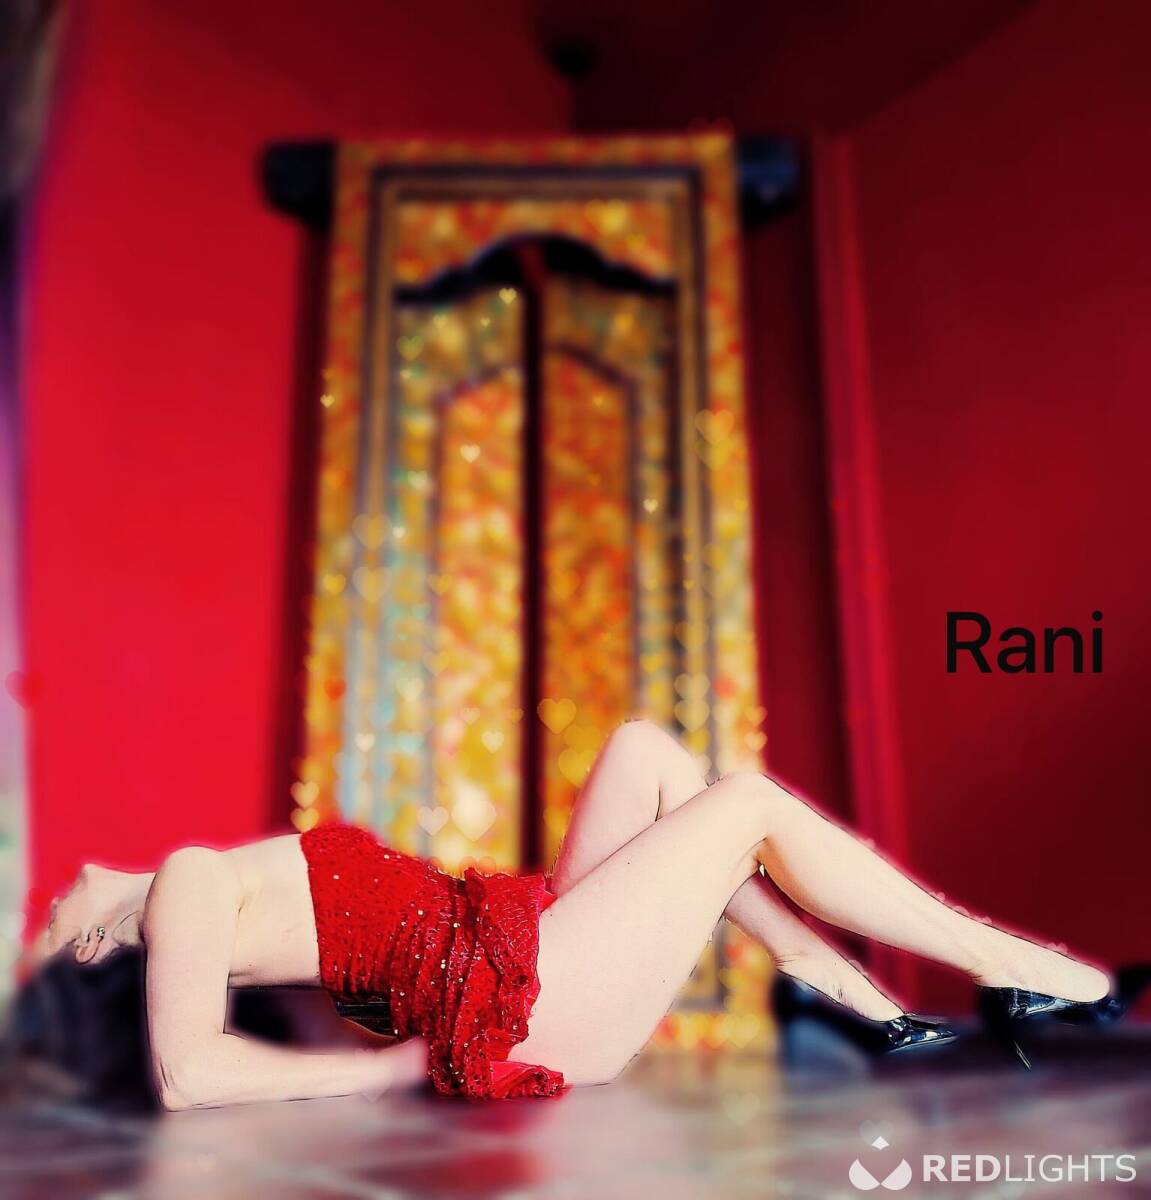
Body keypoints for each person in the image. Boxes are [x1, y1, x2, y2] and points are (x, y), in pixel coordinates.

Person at [25, 718, 1115, 1109]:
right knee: (744, 804)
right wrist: (383, 1074)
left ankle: (831, 983)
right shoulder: (191, 882)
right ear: (88, 942)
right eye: (51, 916)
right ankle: (1006, 965)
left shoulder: (213, 888)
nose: (65, 879)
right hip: (517, 1001)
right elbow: (189, 1076)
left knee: (646, 752)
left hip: (516, 948)